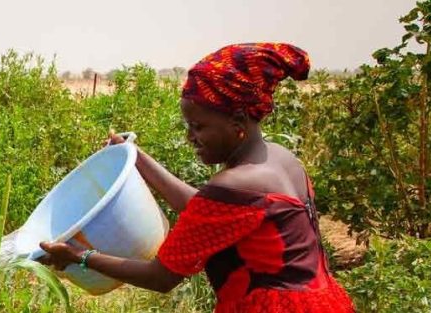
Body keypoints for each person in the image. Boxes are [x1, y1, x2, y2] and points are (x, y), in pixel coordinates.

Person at [37, 43, 354, 312]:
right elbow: (208, 212)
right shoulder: (282, 160)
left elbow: (161, 277)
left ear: (238, 119)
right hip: (323, 301)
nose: (191, 137)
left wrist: (79, 256)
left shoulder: (233, 185)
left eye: (199, 127)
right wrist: (133, 156)